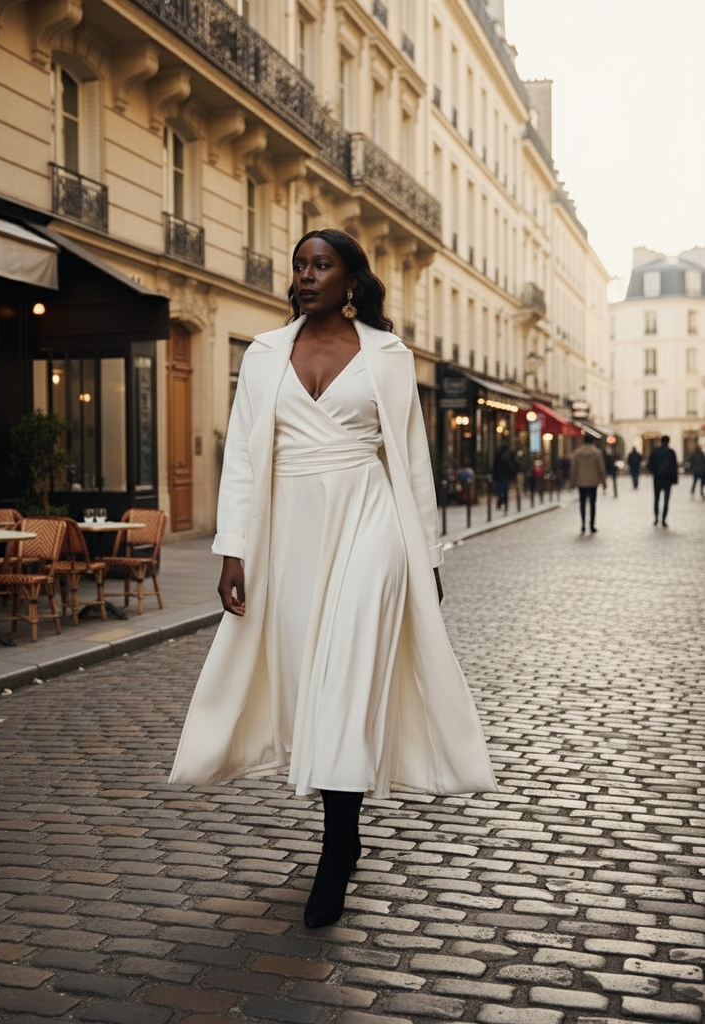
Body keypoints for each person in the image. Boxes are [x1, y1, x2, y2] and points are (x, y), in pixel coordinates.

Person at [169, 228, 496, 929]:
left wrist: (426, 557)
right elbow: (247, 465)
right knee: (305, 681)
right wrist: (234, 550)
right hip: (290, 534)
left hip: (371, 525)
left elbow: (410, 461)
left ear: (352, 282)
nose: (307, 275)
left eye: (323, 265)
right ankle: (345, 831)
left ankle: (334, 851)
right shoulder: (262, 356)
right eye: (300, 264)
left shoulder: (387, 356)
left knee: (346, 679)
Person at [569, 434, 607, 533]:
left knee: (582, 503)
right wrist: (603, 482)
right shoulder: (596, 453)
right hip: (593, 482)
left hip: (581, 481)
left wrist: (572, 482)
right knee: (592, 504)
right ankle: (592, 524)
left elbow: (574, 469)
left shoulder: (577, 453)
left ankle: (583, 523)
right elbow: (601, 468)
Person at [647, 435, 678, 526]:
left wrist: (654, 472)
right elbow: (674, 467)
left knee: (656, 499)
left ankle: (656, 517)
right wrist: (674, 478)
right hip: (667, 479)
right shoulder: (671, 452)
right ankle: (664, 519)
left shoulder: (656, 451)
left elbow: (650, 464)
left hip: (657, 478)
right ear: (668, 441)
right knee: (666, 500)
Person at [491, 441, 514, 511]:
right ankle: (502, 501)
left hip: (501, 475)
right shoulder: (508, 454)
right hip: (503, 475)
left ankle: (501, 501)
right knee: (503, 488)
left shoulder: (501, 454)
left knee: (501, 488)